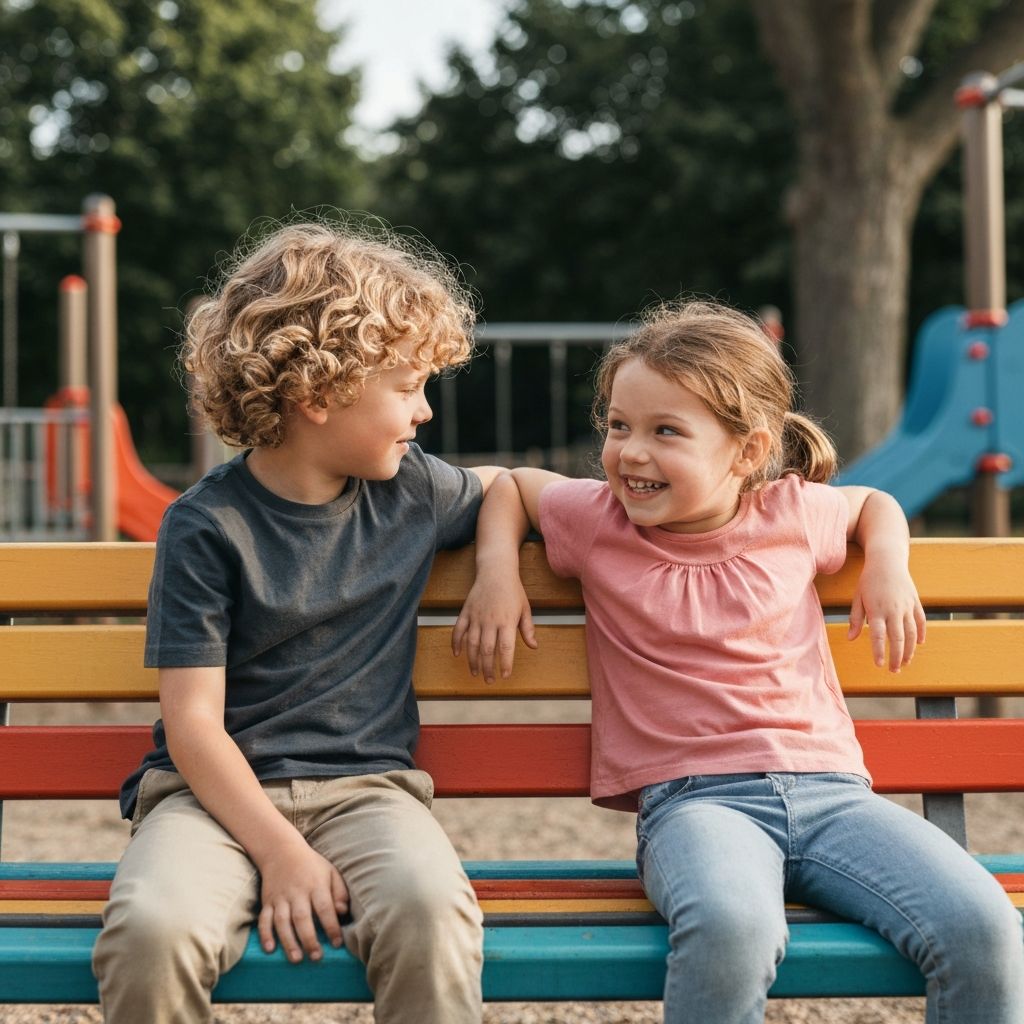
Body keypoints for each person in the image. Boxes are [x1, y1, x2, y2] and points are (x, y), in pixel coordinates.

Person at [453, 299, 1024, 1024]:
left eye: (666, 432)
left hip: (833, 797)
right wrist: (498, 571)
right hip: (695, 804)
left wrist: (887, 563)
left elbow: (874, 502)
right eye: (619, 425)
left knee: (984, 927)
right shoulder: (597, 521)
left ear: (748, 452)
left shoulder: (792, 511)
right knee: (733, 927)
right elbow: (511, 486)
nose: (630, 452)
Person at [92, 220, 503, 1024]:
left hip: (369, 793)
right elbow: (193, 726)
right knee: (149, 931)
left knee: (431, 913)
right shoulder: (205, 526)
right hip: (207, 799)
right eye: (408, 386)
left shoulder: (410, 491)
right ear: (318, 394)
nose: (423, 413)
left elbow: (511, 485)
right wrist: (281, 852)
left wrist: (494, 568)